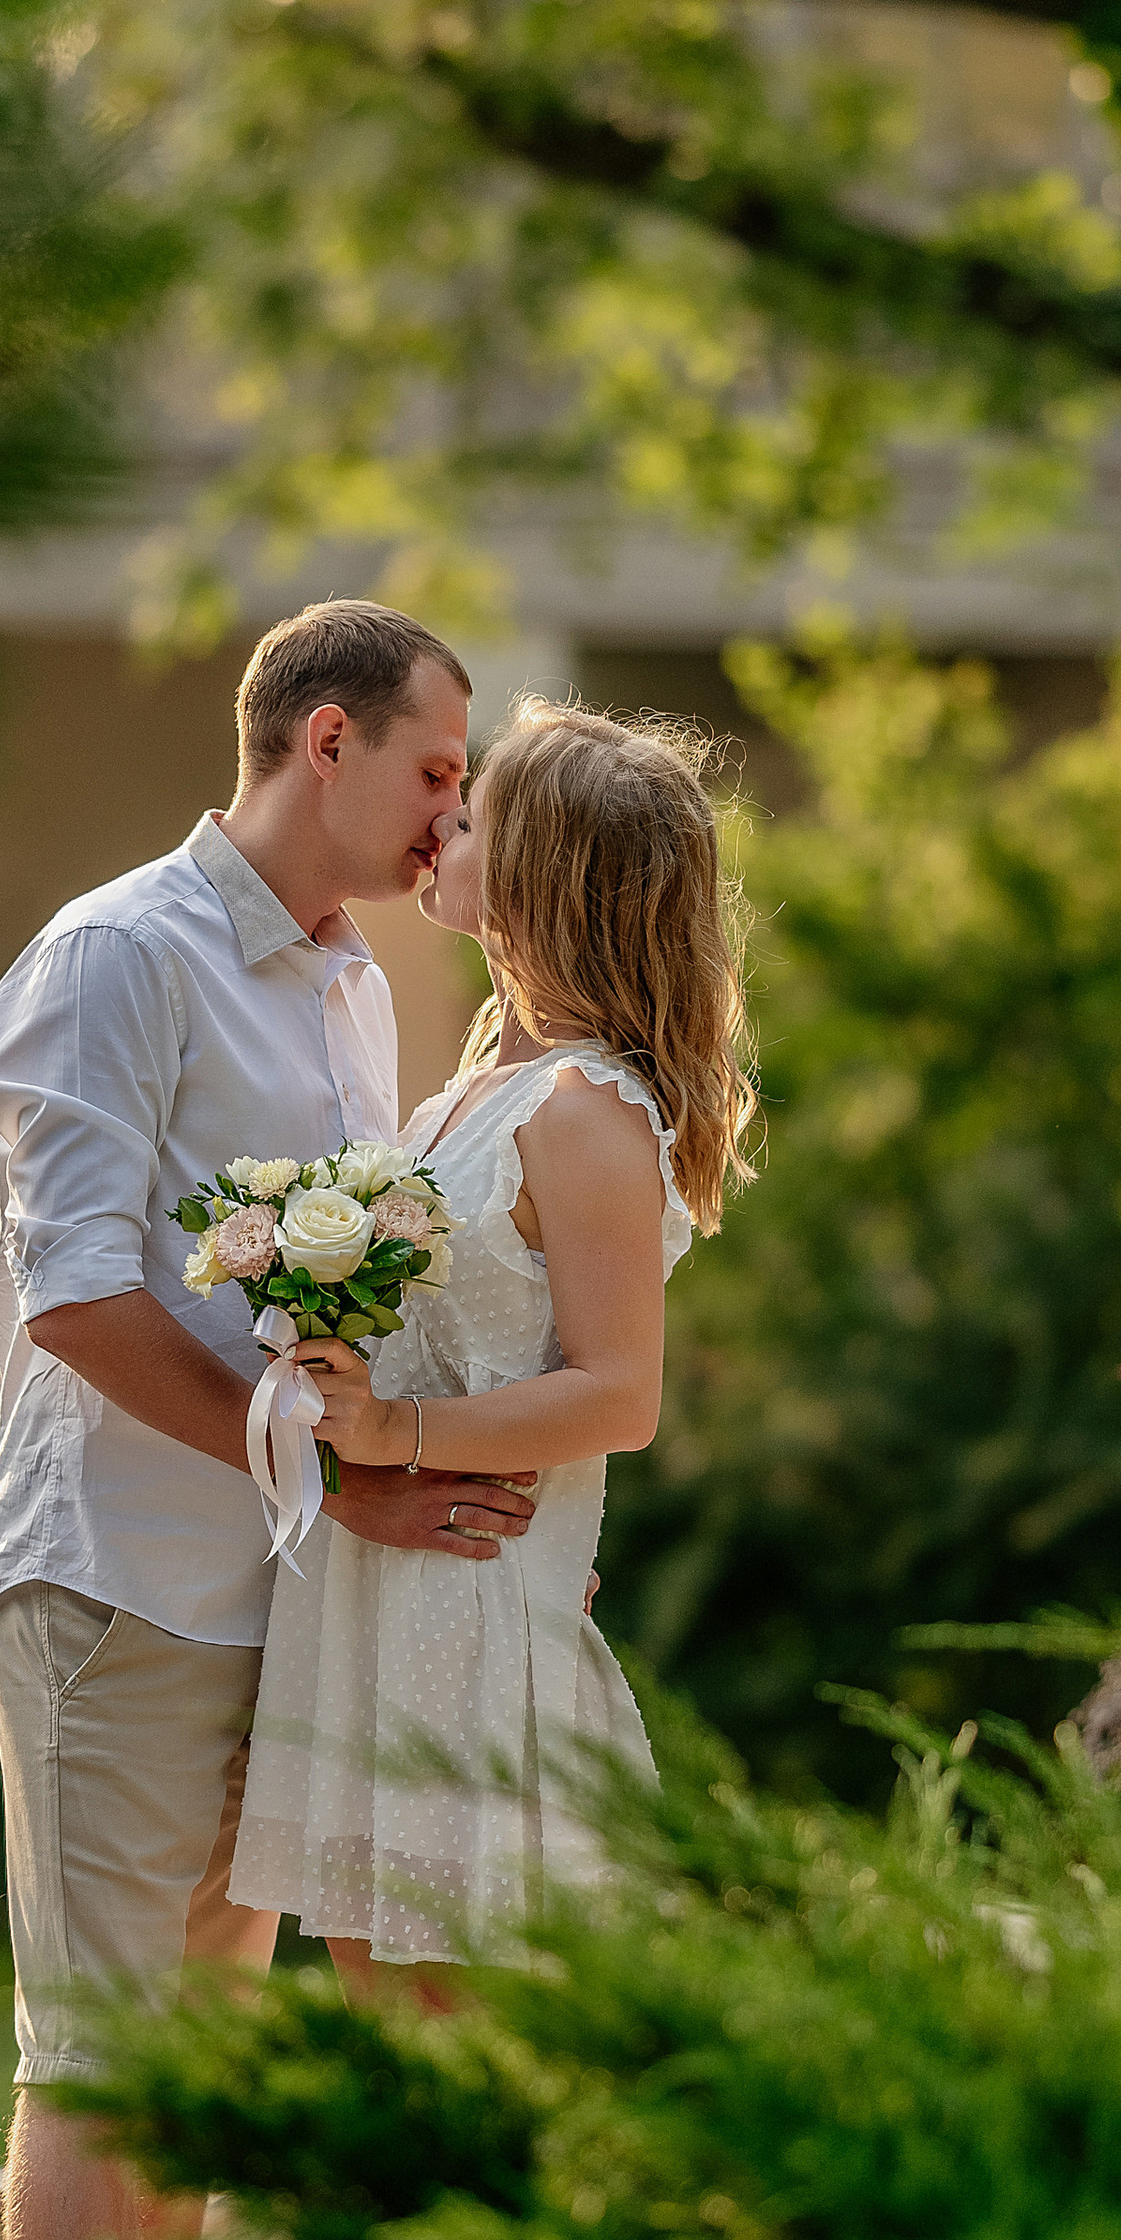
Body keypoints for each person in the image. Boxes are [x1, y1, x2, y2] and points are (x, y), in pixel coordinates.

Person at [0, 599, 539, 2240]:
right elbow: (77, 1300)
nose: (446, 815)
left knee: (191, 2071)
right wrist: (315, 1449)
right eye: (432, 773)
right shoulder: (111, 957)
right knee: (93, 2060)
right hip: (110, 1586)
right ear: (322, 738)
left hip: (268, 1594)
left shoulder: (348, 992)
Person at [231, 694, 756, 1989]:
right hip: (375, 1603)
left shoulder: (587, 1110)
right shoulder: (473, 1083)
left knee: (464, 2048)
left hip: (469, 1622)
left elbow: (620, 1392)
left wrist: (395, 1432)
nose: (437, 835)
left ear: (541, 877)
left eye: (468, 822)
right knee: (388, 2040)